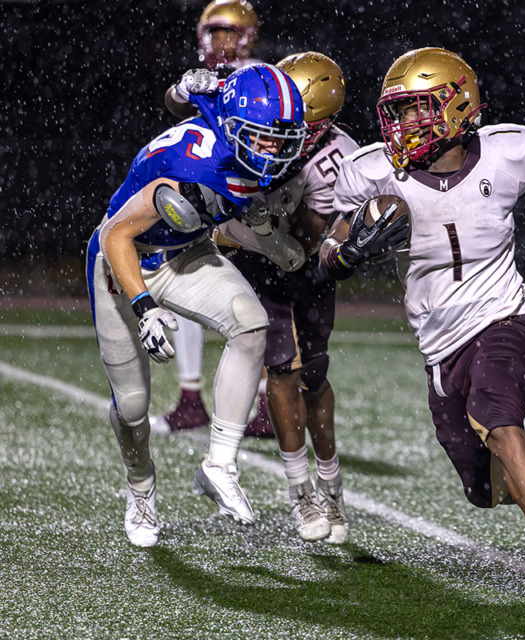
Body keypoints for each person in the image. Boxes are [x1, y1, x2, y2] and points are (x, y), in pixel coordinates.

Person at [325, 47, 525, 595]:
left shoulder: (507, 150)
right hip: (438, 344)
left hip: (504, 320)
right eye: (399, 111)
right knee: (481, 490)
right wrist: (345, 255)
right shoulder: (373, 171)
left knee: (495, 417)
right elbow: (329, 249)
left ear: (459, 106)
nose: (405, 123)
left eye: (418, 108)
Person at [86, 63, 307, 548]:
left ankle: (220, 464)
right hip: (125, 259)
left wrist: (265, 239)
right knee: (133, 405)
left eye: (281, 138)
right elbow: (116, 233)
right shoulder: (192, 163)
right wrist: (144, 307)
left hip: (186, 249)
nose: (273, 150)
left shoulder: (242, 145)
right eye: (262, 137)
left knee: (252, 325)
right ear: (234, 127)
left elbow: (218, 214)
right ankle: (141, 488)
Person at [211, 52, 360, 543]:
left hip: (303, 263)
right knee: (283, 368)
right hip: (255, 261)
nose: (285, 134)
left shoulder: (333, 158)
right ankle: (300, 489)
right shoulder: (248, 123)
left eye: (302, 123)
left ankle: (330, 480)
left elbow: (312, 243)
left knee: (315, 375)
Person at [153, 0, 273, 438]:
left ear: (247, 36)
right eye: (215, 33)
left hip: (249, 194)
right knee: (187, 285)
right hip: (209, 193)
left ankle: (264, 402)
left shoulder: (259, 74)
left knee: (257, 298)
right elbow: (173, 103)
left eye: (229, 33)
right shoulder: (205, 74)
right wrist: (185, 90)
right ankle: (190, 398)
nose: (221, 42)